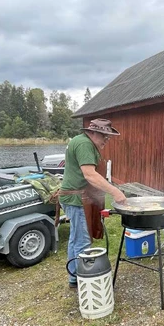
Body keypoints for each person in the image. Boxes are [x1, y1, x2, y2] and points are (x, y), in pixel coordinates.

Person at [60, 118, 127, 289]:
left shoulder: (83, 142)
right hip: (77, 199)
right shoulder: (84, 144)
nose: (107, 139)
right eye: (104, 135)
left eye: (108, 136)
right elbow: (89, 175)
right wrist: (115, 191)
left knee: (75, 238)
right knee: (82, 241)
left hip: (78, 197)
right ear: (92, 132)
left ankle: (74, 277)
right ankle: (87, 283)